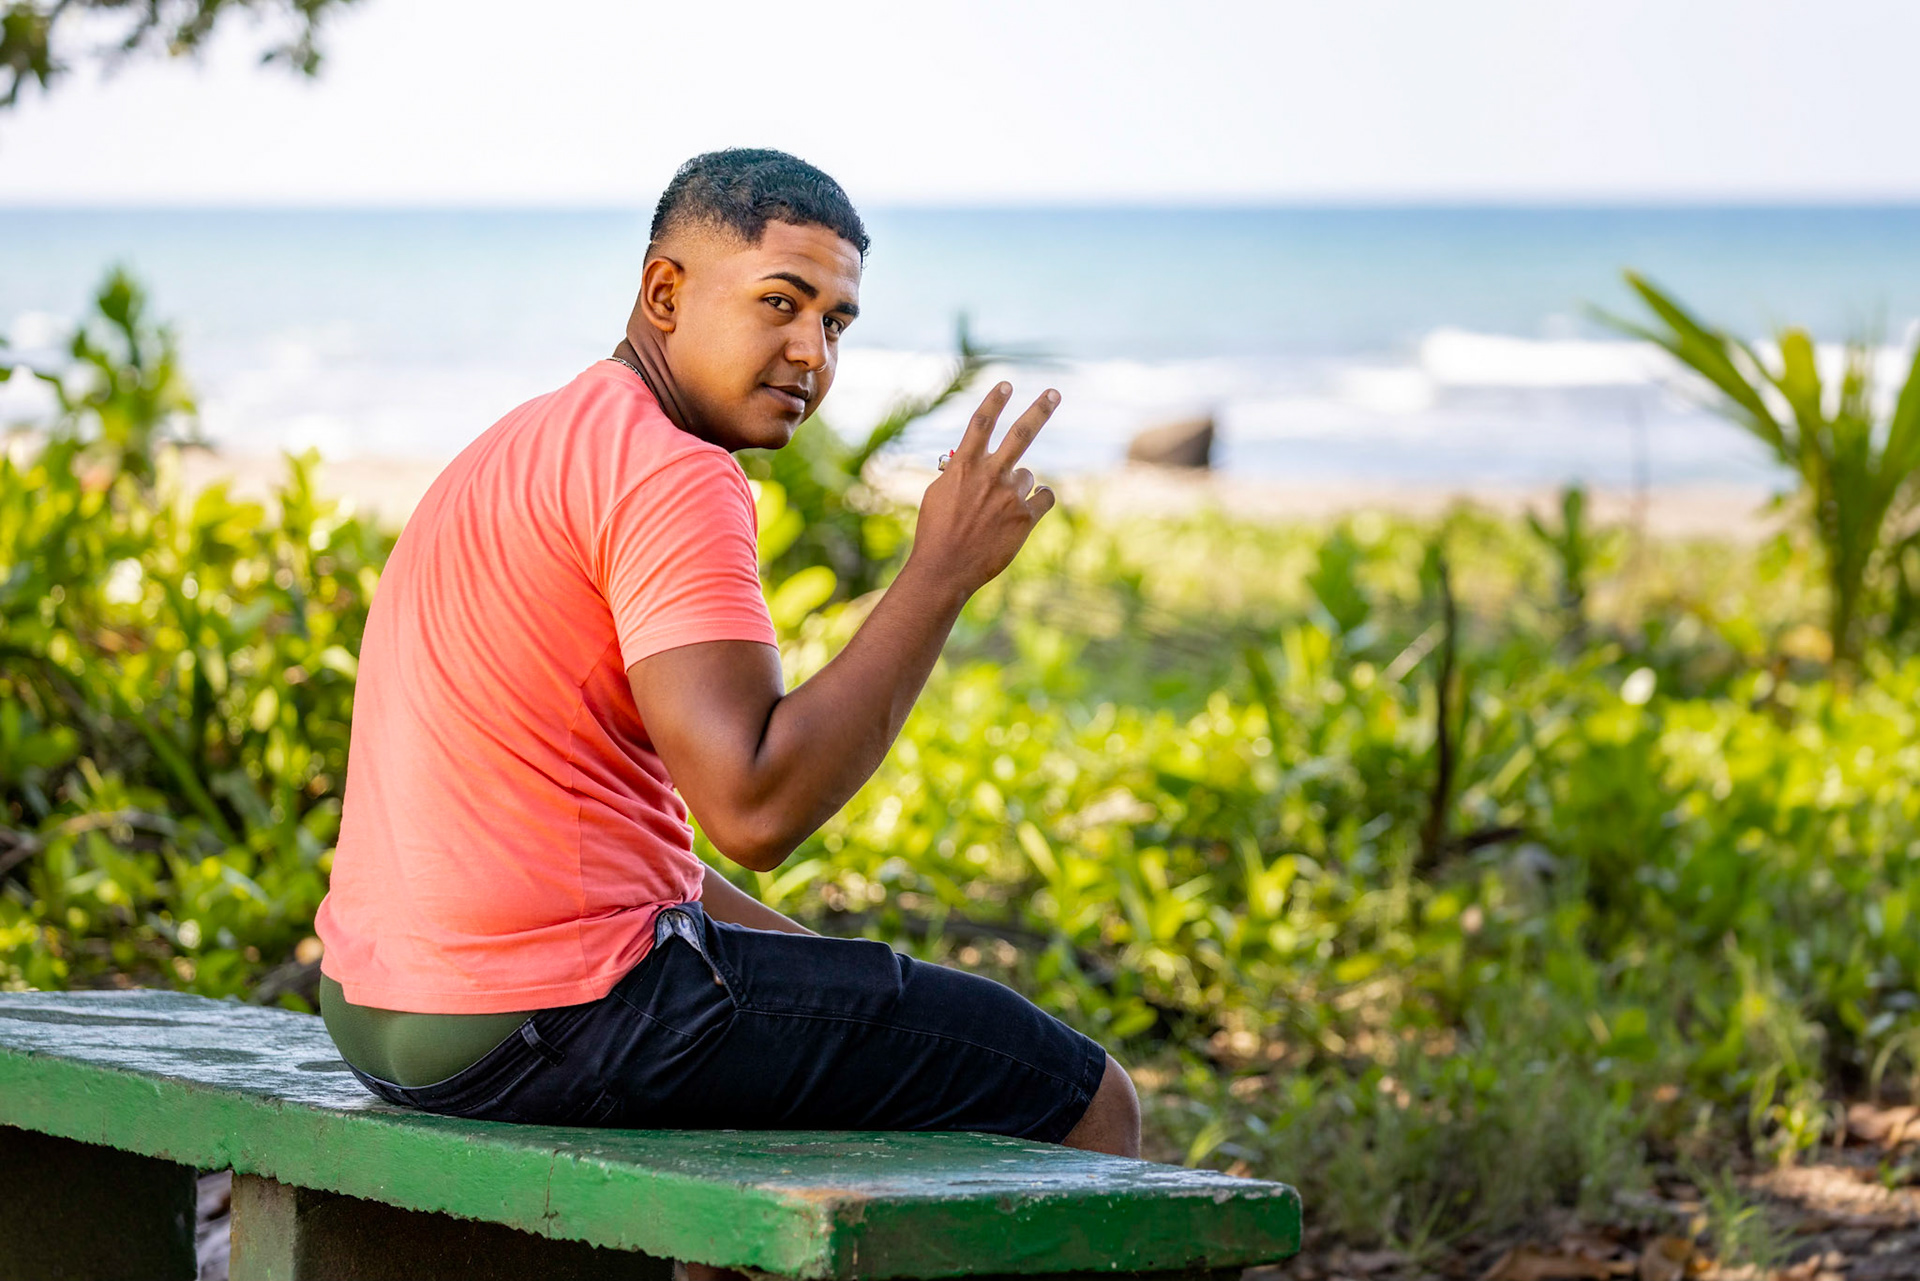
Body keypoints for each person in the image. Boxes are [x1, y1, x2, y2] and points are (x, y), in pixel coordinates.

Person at [314, 148, 1139, 1159]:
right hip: (551, 1013)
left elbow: (611, 851)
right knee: (1089, 1098)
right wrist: (940, 573)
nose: (811, 352)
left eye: (836, 323)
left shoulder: (526, 444)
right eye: (780, 302)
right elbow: (754, 810)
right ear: (664, 293)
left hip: (380, 1010)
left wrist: (827, 980)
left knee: (872, 1037)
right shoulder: (672, 472)